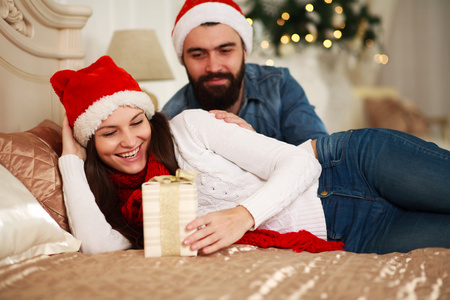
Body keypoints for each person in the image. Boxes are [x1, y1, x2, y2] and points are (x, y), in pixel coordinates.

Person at [52, 56, 450, 256]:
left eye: (137, 121)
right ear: (91, 141)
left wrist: (242, 216)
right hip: (352, 232)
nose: (129, 140)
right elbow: (97, 247)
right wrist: (70, 154)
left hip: (350, 167)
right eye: (107, 133)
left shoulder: (188, 127)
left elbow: (299, 161)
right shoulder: (124, 207)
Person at [162, 0, 328, 146]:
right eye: (198, 55)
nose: (213, 67)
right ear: (183, 59)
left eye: (225, 50)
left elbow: (322, 158)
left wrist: (257, 147)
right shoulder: (171, 118)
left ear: (244, 51)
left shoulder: (279, 86)